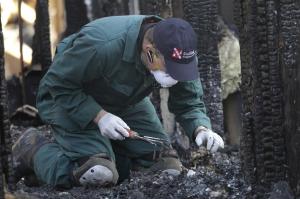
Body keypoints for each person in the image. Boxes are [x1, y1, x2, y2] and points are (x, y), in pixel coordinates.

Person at [12, 15, 224, 189]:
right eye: (171, 70)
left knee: (165, 166)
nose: (177, 76)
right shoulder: (101, 45)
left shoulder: (179, 51)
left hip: (123, 99)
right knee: (96, 173)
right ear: (149, 52)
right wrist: (99, 116)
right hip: (67, 98)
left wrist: (200, 128)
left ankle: (111, 158)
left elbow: (188, 99)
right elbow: (57, 83)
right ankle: (33, 149)